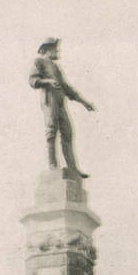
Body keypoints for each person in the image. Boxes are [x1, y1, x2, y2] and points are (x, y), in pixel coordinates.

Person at [29, 38, 95, 178]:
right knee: (51, 131)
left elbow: (66, 87)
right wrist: (47, 81)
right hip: (49, 100)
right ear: (47, 49)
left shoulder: (56, 67)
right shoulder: (38, 61)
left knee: (68, 132)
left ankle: (72, 167)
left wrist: (84, 102)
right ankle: (52, 164)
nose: (57, 51)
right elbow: (33, 81)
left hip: (60, 102)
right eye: (55, 49)